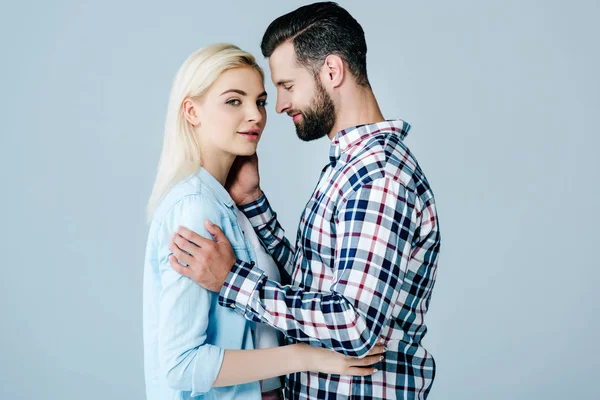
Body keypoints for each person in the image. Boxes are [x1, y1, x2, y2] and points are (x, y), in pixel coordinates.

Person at [169, 3, 442, 399]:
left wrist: (232, 281)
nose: (278, 106)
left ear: (332, 71)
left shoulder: (378, 178)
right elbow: (317, 283)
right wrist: (253, 201)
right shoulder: (351, 167)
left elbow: (355, 325)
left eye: (287, 86)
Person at [143, 43, 385, 400]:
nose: (255, 115)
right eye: (233, 101)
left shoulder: (229, 203)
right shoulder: (196, 209)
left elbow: (298, 289)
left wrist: (252, 200)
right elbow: (182, 365)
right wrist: (308, 357)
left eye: (259, 101)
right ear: (191, 111)